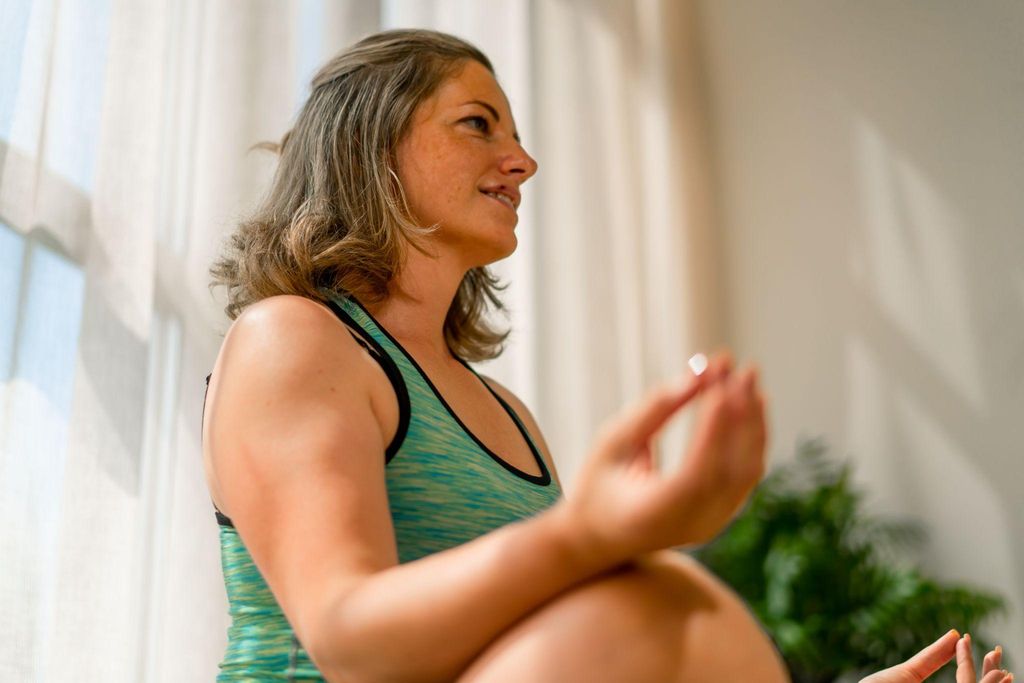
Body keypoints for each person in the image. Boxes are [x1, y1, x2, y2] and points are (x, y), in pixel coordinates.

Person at [202, 28, 1013, 682]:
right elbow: (350, 641)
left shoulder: (506, 415)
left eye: (516, 136)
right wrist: (585, 535)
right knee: (655, 603)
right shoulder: (294, 337)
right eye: (477, 124)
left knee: (672, 607)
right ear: (370, 146)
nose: (523, 162)